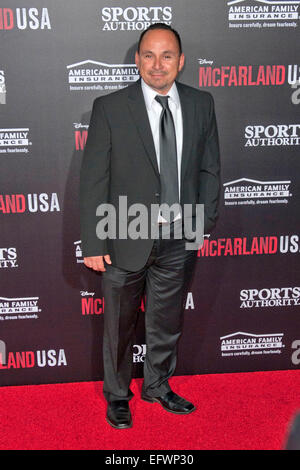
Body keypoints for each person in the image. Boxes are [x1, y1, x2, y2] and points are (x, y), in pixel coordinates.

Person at [79, 23, 220, 429]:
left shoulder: (201, 103)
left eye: (167, 56)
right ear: (138, 59)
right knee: (119, 326)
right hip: (125, 233)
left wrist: (203, 223)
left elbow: (211, 168)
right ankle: (118, 396)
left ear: (181, 61)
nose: (157, 65)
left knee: (167, 320)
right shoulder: (109, 107)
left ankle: (158, 386)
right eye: (149, 55)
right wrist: (94, 240)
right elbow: (93, 180)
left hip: (180, 236)